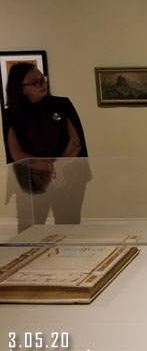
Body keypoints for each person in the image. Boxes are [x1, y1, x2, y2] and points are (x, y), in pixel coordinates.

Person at [2, 63, 90, 231]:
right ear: (20, 89)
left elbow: (75, 142)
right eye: (35, 82)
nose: (43, 84)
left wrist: (57, 166)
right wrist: (49, 168)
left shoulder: (62, 104)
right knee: (29, 230)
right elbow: (17, 154)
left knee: (67, 226)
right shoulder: (11, 114)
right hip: (31, 181)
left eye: (43, 79)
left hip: (68, 176)